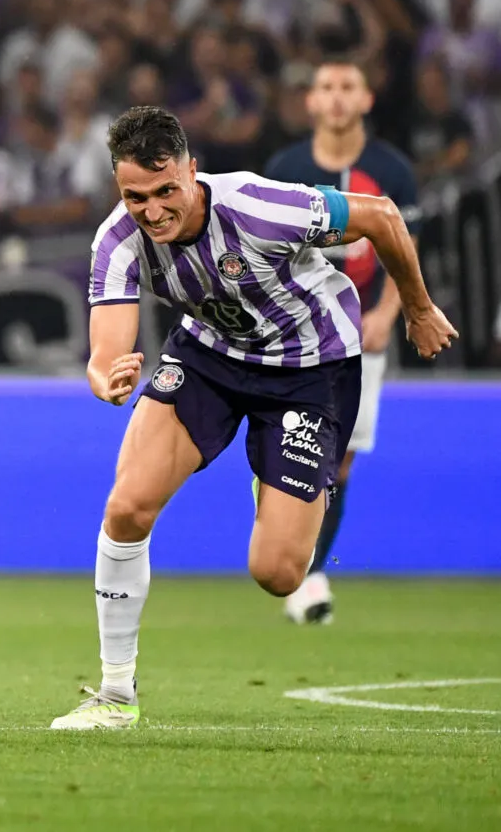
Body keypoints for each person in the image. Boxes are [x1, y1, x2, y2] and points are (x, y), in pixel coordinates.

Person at [52, 106, 454, 730]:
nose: (154, 210)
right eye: (136, 196)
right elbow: (106, 351)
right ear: (118, 189)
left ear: (193, 170)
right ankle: (115, 693)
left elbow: (380, 217)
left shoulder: (263, 207)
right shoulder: (117, 242)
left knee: (279, 573)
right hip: (210, 356)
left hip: (312, 368)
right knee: (127, 507)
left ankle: (288, 480)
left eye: (167, 192)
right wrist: (107, 379)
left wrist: (419, 309)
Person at [263, 58, 419, 625]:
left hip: (361, 336)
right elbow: (267, 251)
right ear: (309, 101)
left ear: (367, 99)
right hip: (294, 334)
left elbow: (405, 249)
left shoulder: (391, 170)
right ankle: (296, 569)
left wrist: (386, 312)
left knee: (342, 459)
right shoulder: (286, 167)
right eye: (325, 87)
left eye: (347, 87)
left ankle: (307, 569)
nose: (335, 98)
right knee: (295, 446)